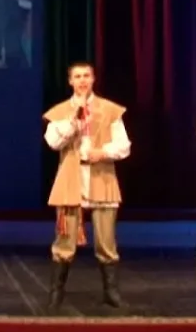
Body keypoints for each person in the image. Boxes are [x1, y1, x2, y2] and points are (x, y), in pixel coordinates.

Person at [42, 62, 131, 309]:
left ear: (93, 79)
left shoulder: (109, 110)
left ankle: (111, 292)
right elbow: (53, 142)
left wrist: (102, 152)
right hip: (71, 179)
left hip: (101, 178)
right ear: (70, 81)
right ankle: (56, 292)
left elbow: (124, 145)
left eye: (86, 76)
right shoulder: (61, 111)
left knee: (106, 242)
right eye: (77, 76)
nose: (82, 80)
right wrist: (73, 121)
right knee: (64, 241)